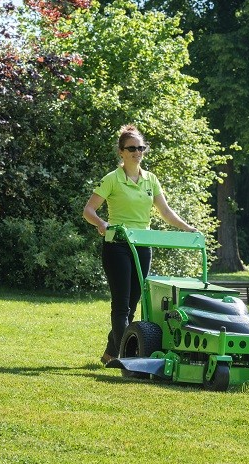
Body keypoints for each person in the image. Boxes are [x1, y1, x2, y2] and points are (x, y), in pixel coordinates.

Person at [83, 124, 197, 365]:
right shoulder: (112, 179)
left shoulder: (150, 180)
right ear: (121, 152)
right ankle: (125, 358)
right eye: (132, 148)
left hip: (142, 246)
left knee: (133, 303)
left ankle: (110, 353)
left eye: (141, 148)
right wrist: (101, 223)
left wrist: (187, 228)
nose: (137, 152)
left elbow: (165, 212)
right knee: (122, 304)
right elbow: (88, 210)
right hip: (117, 246)